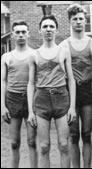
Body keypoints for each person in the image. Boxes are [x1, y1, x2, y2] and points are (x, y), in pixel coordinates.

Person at [27, 15, 76, 168]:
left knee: (63, 144)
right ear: (40, 30)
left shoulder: (64, 51)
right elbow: (30, 83)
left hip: (61, 97)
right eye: (45, 27)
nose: (48, 30)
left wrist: (72, 107)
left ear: (56, 29)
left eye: (51, 27)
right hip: (42, 99)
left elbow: (71, 80)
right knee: (43, 146)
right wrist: (30, 111)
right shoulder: (34, 54)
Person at [59, 4, 92, 168]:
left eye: (81, 19)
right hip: (70, 92)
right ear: (70, 21)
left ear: (85, 21)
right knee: (74, 135)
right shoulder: (63, 45)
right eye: (74, 19)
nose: (78, 22)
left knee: (87, 133)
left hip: (88, 92)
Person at [1, 20, 38, 168]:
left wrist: (32, 109)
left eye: (24, 32)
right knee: (14, 143)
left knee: (31, 141)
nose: (21, 35)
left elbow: (36, 80)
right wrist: (2, 106)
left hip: (31, 99)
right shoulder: (6, 57)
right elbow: (3, 81)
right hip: (12, 99)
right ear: (13, 35)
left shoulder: (35, 54)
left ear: (28, 34)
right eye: (18, 32)